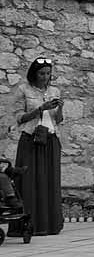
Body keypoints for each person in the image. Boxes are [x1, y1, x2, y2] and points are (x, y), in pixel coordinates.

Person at [11, 57, 65, 235]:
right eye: (42, 73)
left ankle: (50, 224)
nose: (45, 77)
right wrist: (40, 109)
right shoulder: (23, 90)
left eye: (48, 73)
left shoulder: (55, 90)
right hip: (31, 139)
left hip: (50, 139)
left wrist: (60, 108)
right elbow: (20, 118)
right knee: (29, 181)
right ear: (34, 73)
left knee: (50, 180)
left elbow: (58, 120)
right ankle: (28, 224)